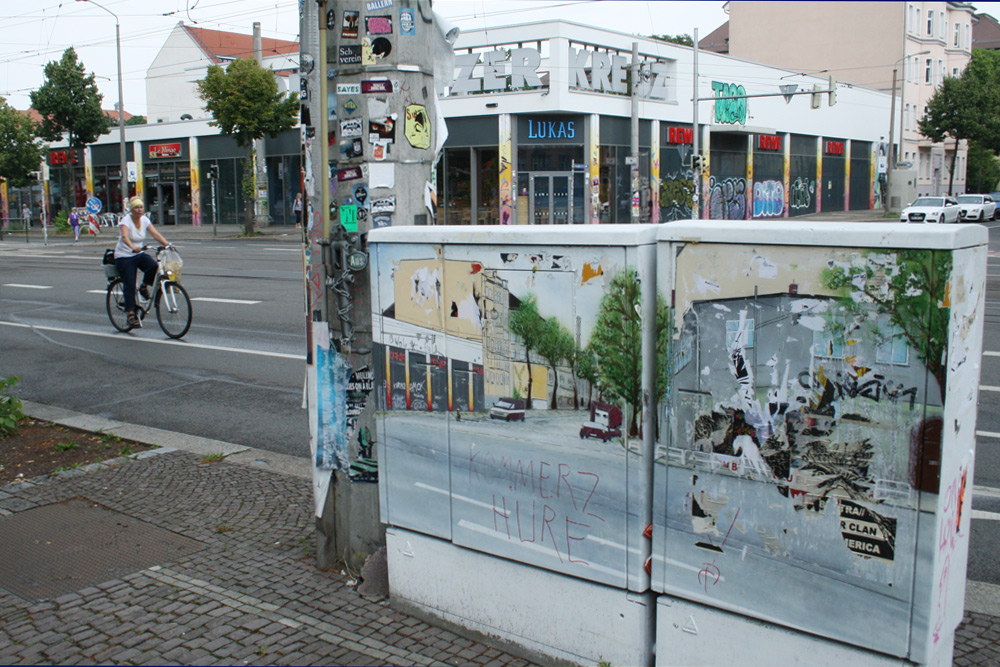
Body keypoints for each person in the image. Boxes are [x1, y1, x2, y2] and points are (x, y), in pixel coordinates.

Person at [114, 196, 170, 329]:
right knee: (130, 283)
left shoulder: (144, 220)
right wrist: (133, 247)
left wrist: (167, 244)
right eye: (136, 208)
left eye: (141, 207)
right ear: (131, 210)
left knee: (153, 266)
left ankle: (144, 286)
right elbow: (124, 237)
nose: (139, 210)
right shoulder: (125, 221)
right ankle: (130, 314)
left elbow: (155, 234)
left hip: (137, 254)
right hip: (124, 256)